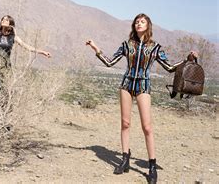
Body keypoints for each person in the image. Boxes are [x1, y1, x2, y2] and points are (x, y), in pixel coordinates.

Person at [85, 13, 198, 183]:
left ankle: (152, 166)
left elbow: (168, 67)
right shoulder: (126, 45)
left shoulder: (155, 48)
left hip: (144, 86)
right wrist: (95, 48)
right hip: (126, 85)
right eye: (136, 22)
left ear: (148, 25)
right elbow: (110, 63)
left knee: (147, 127)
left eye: (142, 21)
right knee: (125, 123)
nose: (138, 23)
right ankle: (125, 159)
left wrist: (187, 59)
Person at [0, 2, 51, 113]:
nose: (4, 20)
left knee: (5, 91)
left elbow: (28, 47)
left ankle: (5, 113)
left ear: (11, 23)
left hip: (6, 68)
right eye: (3, 19)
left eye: (6, 20)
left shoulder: (14, 37)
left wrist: (42, 52)